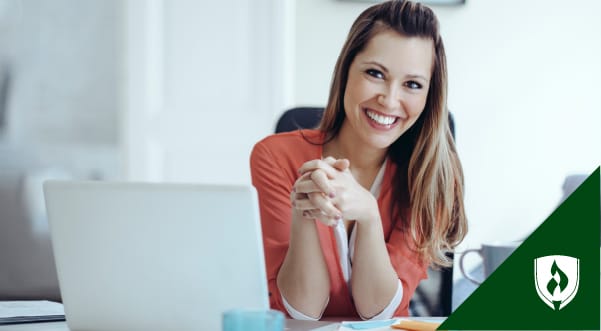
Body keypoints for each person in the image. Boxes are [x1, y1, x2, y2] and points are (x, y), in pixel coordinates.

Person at [250, 0, 467, 320]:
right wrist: (304, 207)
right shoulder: (275, 156)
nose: (390, 100)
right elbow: (301, 312)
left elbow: (379, 313)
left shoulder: (433, 177)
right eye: (375, 73)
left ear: (428, 96)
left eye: (412, 84)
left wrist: (368, 213)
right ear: (346, 72)